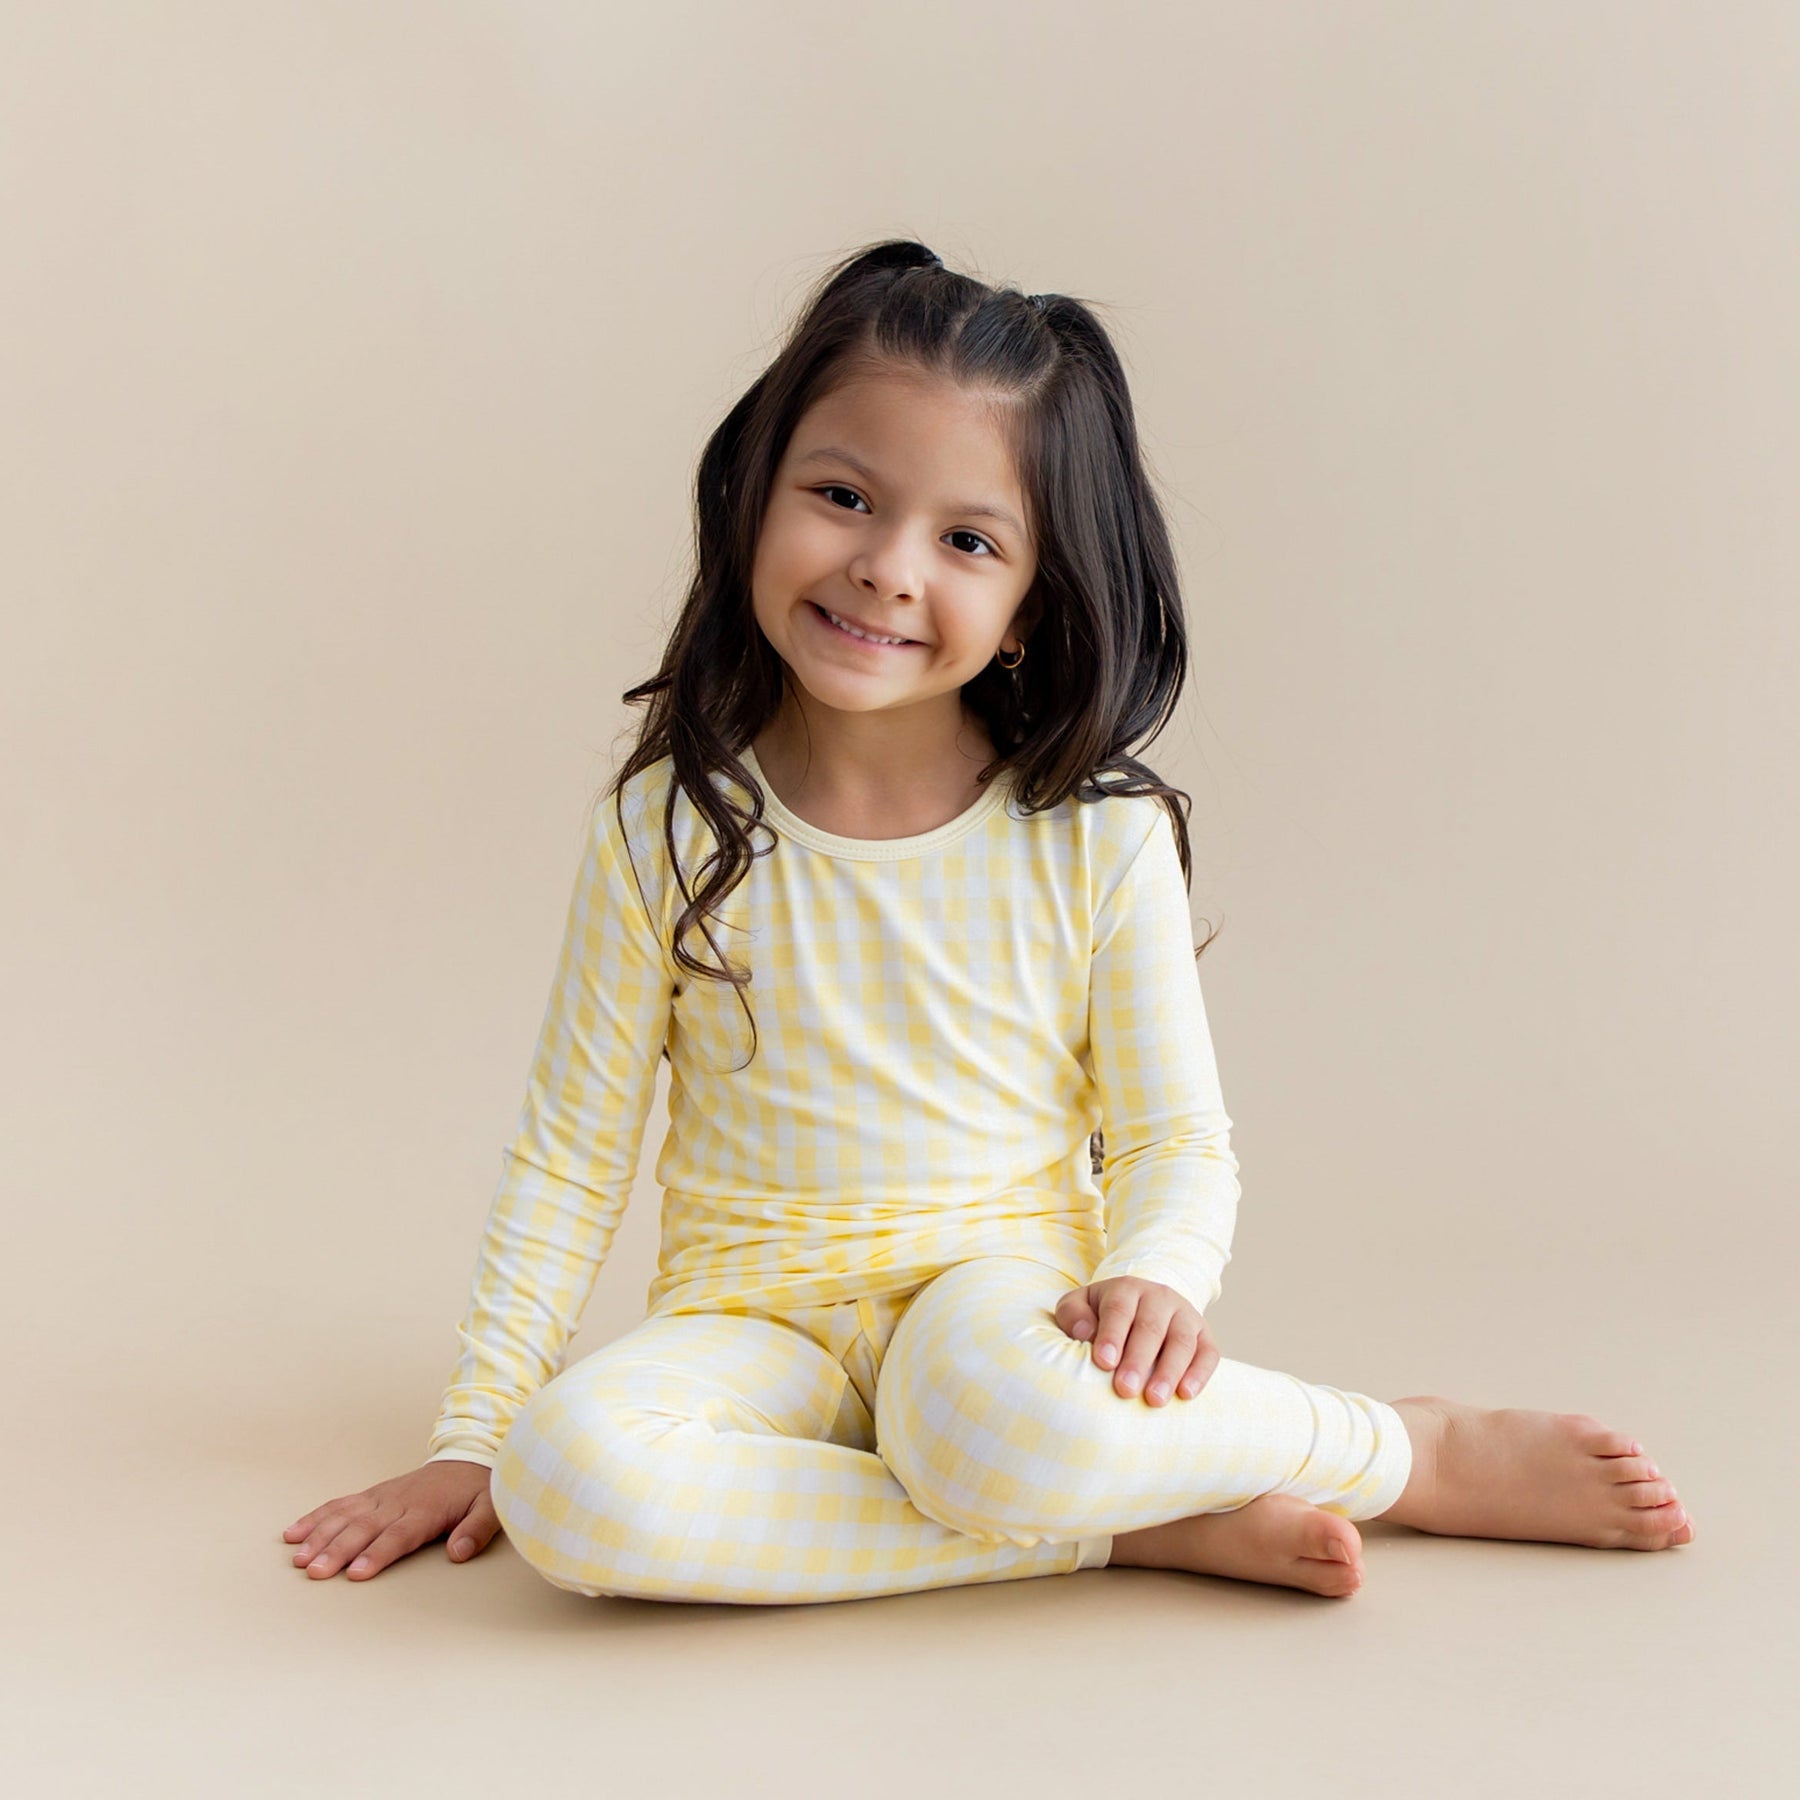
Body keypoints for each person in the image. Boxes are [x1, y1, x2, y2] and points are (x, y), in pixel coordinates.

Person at [284, 239, 1694, 1604]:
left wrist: (1151, 1276)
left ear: (1027, 606)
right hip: (747, 1325)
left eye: (966, 538)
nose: (890, 567)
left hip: (996, 1314)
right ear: (755, 497)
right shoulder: (663, 830)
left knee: (1016, 1421)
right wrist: (478, 1433)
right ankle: (1112, 1532)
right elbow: (570, 1159)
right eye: (842, 496)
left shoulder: (1091, 835)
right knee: (568, 1489)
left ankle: (1400, 1448)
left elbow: (1172, 1139)